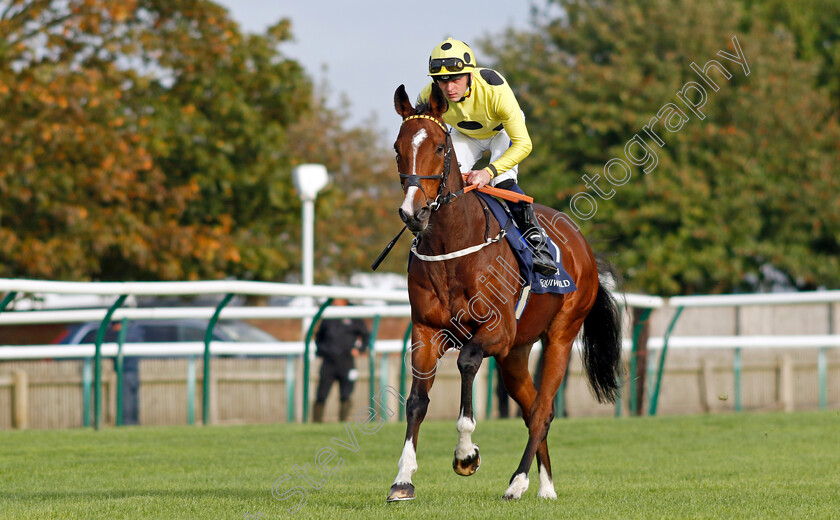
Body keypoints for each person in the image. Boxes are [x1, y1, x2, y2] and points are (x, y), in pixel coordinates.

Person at [417, 38, 558, 276]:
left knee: (501, 181)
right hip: (465, 135)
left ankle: (536, 242)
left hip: (501, 131)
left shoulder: (495, 89)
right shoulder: (428, 95)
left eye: (456, 79)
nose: (449, 88)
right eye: (442, 80)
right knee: (443, 181)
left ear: (470, 75)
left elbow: (524, 144)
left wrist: (488, 171)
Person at [312, 299, 370, 422]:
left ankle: (343, 423)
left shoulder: (353, 315)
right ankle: (316, 423)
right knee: (321, 394)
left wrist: (359, 349)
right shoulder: (329, 316)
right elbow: (319, 337)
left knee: (346, 394)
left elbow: (366, 335)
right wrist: (323, 350)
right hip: (328, 361)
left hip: (346, 361)